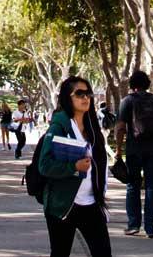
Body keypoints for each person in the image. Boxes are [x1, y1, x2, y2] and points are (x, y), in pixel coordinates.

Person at [39, 76, 113, 257]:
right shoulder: (58, 127)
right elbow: (44, 165)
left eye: (88, 93)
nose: (85, 97)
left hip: (92, 203)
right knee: (60, 253)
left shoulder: (92, 126)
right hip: (63, 204)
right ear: (67, 97)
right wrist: (73, 167)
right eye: (79, 94)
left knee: (103, 253)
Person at [115, 71, 153, 238]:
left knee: (133, 186)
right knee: (152, 187)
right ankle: (151, 228)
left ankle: (133, 225)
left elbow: (121, 127)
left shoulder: (127, 101)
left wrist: (118, 149)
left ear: (132, 85)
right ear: (147, 84)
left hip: (134, 150)